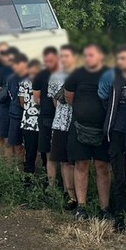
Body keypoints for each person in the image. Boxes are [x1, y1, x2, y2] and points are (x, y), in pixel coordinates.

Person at [64, 44, 113, 222]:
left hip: (103, 130)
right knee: (81, 165)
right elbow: (69, 97)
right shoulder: (76, 73)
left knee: (102, 167)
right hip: (79, 127)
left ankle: (105, 209)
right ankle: (81, 207)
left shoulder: (110, 73)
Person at [102, 44, 126, 231]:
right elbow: (104, 98)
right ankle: (120, 217)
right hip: (117, 132)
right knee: (120, 177)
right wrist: (108, 129)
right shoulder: (114, 77)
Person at [49, 45, 77, 209]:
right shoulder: (55, 76)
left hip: (76, 123)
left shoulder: (79, 75)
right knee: (64, 161)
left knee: (76, 161)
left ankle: (79, 195)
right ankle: (70, 195)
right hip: (60, 122)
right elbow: (54, 101)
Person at [33, 47, 58, 177]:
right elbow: (36, 98)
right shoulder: (41, 75)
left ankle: (57, 186)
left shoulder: (63, 74)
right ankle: (52, 186)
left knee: (57, 155)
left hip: (58, 118)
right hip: (46, 117)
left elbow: (37, 98)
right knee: (48, 154)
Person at [19, 58, 42, 173]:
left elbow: (22, 101)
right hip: (28, 123)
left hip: (42, 122)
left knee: (43, 153)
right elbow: (21, 101)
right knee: (30, 152)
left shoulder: (44, 82)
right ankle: (28, 177)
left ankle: (45, 179)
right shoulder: (24, 82)